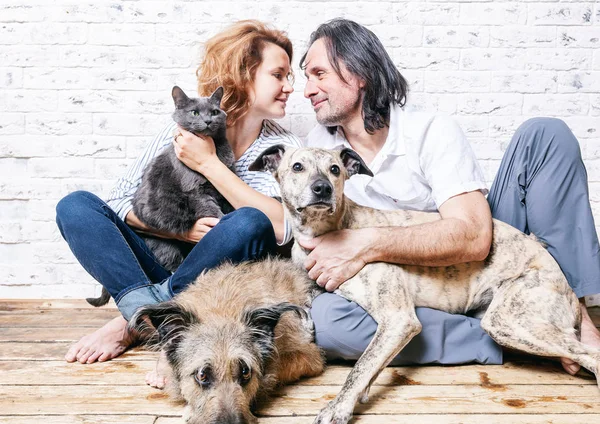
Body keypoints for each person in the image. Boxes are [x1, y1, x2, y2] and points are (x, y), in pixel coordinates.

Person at [300, 19, 600, 374]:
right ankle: (516, 335)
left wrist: (364, 243)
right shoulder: (318, 148)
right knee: (330, 324)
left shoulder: (429, 130)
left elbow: (474, 236)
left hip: (484, 258)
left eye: (318, 74)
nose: (307, 89)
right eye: (306, 77)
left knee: (545, 135)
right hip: (412, 287)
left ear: (358, 72)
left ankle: (577, 319)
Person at [55, 20, 301, 365]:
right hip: (160, 261)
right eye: (279, 75)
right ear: (244, 74)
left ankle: (134, 321)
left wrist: (209, 164)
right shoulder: (182, 129)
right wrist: (177, 230)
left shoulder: (286, 147)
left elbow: (284, 227)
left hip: (216, 284)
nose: (290, 86)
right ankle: (148, 311)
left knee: (248, 222)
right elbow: (118, 202)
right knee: (76, 206)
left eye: (290, 76)